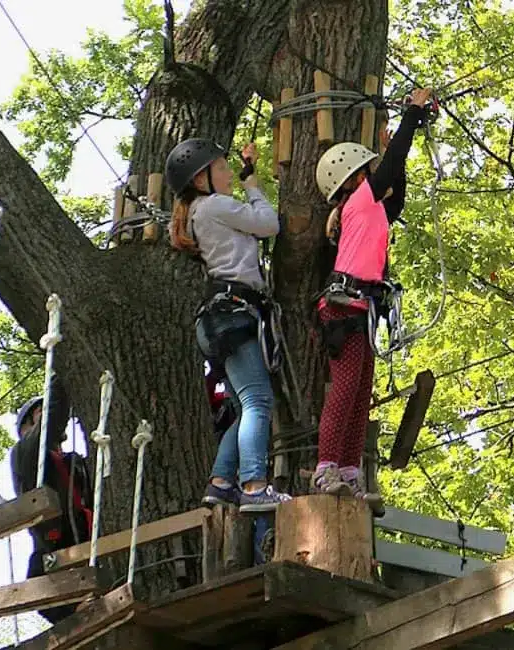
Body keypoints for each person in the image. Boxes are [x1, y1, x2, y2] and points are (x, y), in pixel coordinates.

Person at [312, 88, 434, 514]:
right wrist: (412, 114)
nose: (374, 176)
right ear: (353, 178)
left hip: (362, 307)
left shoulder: (372, 208)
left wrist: (391, 144)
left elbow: (395, 191)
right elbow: (392, 170)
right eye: (368, 170)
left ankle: (347, 472)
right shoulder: (357, 203)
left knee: (360, 394)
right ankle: (326, 467)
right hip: (345, 306)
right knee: (344, 392)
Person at [166, 137, 291, 513]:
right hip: (234, 315)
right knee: (258, 401)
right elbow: (269, 224)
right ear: (201, 179)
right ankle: (253, 485)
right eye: (221, 169)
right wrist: (253, 186)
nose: (227, 175)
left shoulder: (199, 212)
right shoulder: (215, 206)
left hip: (219, 320)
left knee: (243, 405)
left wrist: (248, 171)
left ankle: (221, 482)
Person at [9, 376, 93, 624]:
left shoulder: (72, 462)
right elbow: (52, 421)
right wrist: (60, 372)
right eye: (40, 412)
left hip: (88, 552)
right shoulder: (24, 453)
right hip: (55, 561)